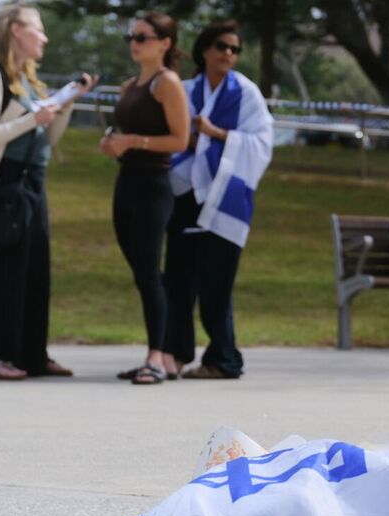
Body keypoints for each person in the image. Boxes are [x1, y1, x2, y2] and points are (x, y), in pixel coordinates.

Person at [0, 4, 95, 380]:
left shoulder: (28, 81)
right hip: (4, 183)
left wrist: (64, 104)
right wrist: (31, 119)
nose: (44, 38)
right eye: (38, 30)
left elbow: (47, 137)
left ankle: (30, 355)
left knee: (34, 272)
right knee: (1, 270)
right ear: (16, 31)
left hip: (34, 183)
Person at [162, 20, 273, 379]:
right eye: (222, 46)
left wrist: (215, 135)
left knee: (216, 284)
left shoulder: (246, 93)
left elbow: (261, 144)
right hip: (184, 195)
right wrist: (190, 140)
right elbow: (168, 132)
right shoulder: (185, 88)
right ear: (205, 50)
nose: (229, 54)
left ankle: (222, 358)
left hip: (226, 198)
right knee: (178, 280)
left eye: (235, 49)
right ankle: (175, 354)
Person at [104, 10, 191, 386]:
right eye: (132, 37)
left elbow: (180, 140)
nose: (135, 44)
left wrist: (134, 142)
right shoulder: (130, 86)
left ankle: (157, 356)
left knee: (149, 272)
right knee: (143, 273)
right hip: (127, 181)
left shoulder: (167, 83)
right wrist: (114, 143)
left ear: (165, 43)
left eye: (143, 37)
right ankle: (166, 354)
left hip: (155, 185)